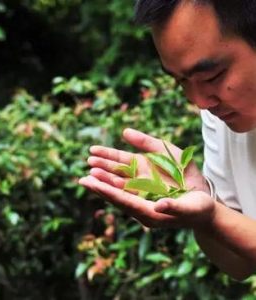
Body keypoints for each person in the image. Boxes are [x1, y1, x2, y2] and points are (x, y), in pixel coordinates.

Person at [79, 0, 256, 281]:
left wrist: (214, 217)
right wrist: (203, 200)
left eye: (212, 76)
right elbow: (238, 264)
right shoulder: (221, 114)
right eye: (181, 81)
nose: (199, 101)